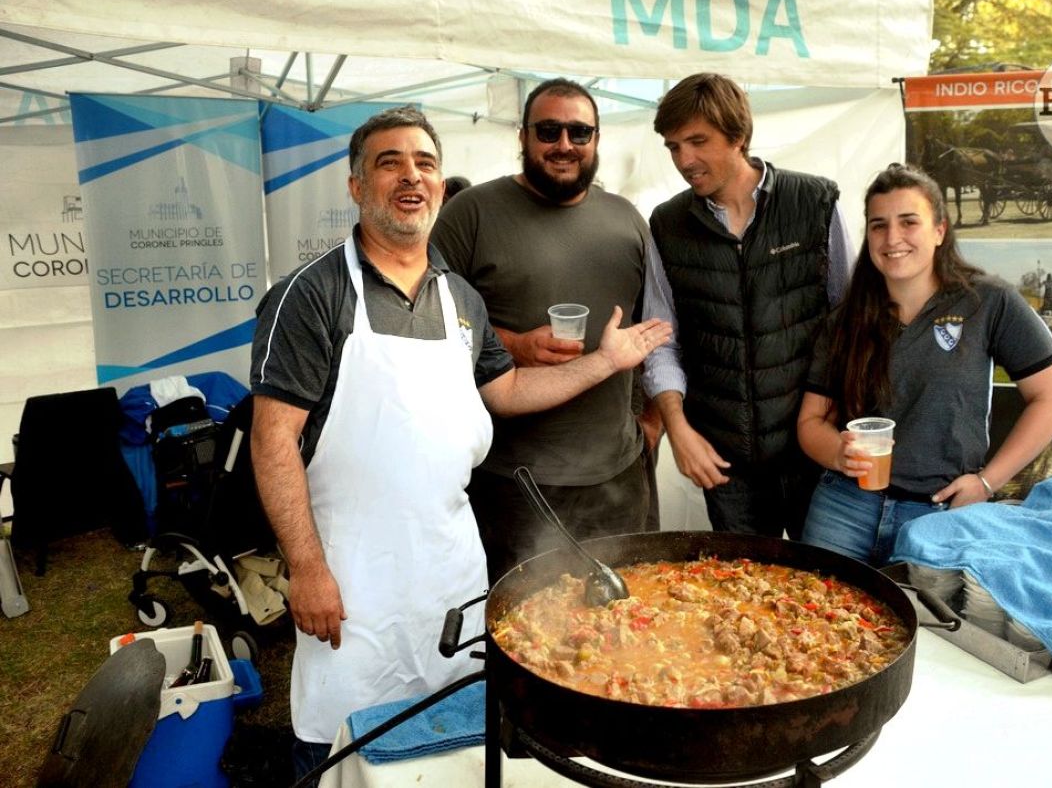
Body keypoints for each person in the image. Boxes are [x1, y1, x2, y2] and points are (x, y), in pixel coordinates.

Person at [248, 106, 670, 776]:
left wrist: (606, 362)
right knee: (344, 741)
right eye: (389, 163)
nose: (410, 177)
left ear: (441, 188)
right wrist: (307, 568)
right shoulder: (311, 295)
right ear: (356, 186)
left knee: (454, 740)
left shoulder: (461, 300)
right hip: (352, 574)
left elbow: (508, 391)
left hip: (452, 568)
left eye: (425, 164)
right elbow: (272, 442)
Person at [431, 78, 661, 581]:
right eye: (549, 131)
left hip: (619, 478)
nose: (564, 145)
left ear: (596, 139)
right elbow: (430, 324)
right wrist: (514, 345)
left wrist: (654, 425)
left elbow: (657, 331)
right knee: (524, 622)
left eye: (579, 132)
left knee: (630, 615)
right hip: (513, 483)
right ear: (523, 136)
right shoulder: (470, 215)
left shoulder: (627, 219)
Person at [797, 164, 1052, 566]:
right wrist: (839, 454)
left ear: (939, 230)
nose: (892, 238)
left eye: (909, 222)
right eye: (878, 225)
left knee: (923, 612)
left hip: (939, 513)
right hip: (844, 507)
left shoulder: (988, 301)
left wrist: (986, 482)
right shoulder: (847, 318)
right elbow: (810, 422)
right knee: (814, 605)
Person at [641, 73, 854, 539]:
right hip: (725, 462)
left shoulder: (813, 202)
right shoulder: (667, 223)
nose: (684, 160)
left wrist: (835, 423)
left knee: (825, 579)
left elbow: (849, 322)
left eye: (698, 141)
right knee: (743, 581)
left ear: (738, 136)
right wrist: (678, 430)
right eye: (673, 147)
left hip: (815, 450)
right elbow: (660, 341)